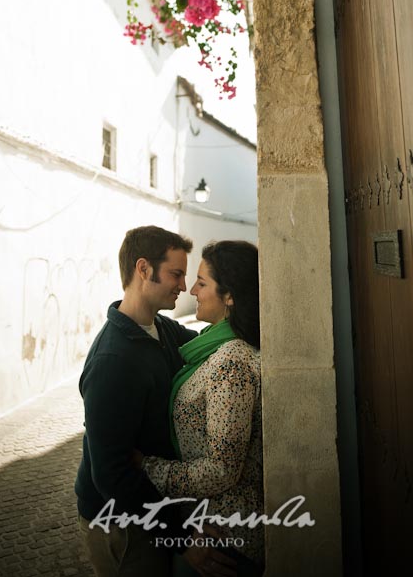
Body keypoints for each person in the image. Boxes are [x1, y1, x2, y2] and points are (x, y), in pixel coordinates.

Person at [75, 225, 237, 577]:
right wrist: (181, 537)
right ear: (144, 269)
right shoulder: (113, 362)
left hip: (151, 512)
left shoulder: (160, 329)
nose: (183, 286)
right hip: (121, 523)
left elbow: (208, 344)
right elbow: (111, 474)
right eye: (176, 274)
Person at [140, 240, 264, 577]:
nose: (191, 289)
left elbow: (221, 469)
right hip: (210, 530)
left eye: (202, 283)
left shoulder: (232, 363)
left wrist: (147, 466)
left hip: (223, 543)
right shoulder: (215, 344)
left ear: (231, 296)